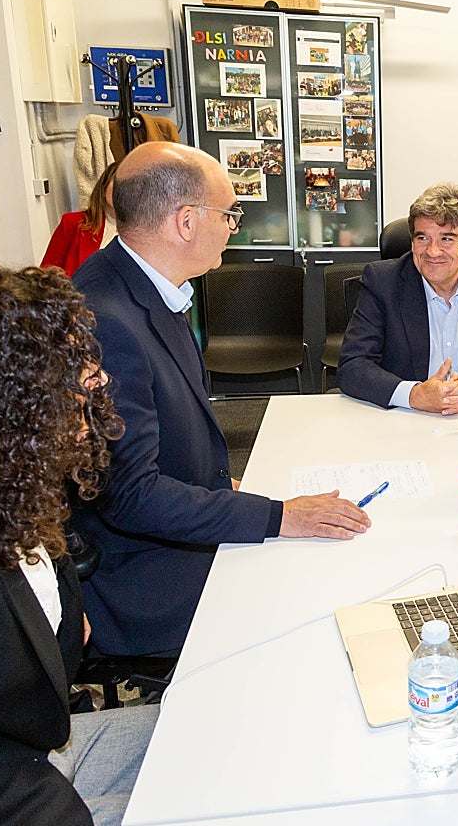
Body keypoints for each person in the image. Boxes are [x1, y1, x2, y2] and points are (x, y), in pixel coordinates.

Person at [69, 142, 370, 657]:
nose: (234, 226)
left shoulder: (144, 283)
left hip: (169, 526)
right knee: (308, 605)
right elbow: (132, 495)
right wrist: (277, 517)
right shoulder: (107, 321)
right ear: (186, 222)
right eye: (229, 213)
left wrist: (219, 484)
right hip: (141, 570)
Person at [0, 263, 157, 826]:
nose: (97, 382)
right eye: (73, 372)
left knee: (223, 723)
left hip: (46, 745)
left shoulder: (11, 482)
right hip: (11, 791)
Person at [338, 183, 458, 413]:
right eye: (423, 238)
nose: (433, 251)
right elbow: (352, 366)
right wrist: (414, 394)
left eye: (446, 238)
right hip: (404, 419)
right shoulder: (382, 282)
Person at [42, 161, 119, 277]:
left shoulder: (149, 232)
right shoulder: (72, 222)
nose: (121, 190)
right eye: (117, 182)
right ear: (103, 189)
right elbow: (45, 276)